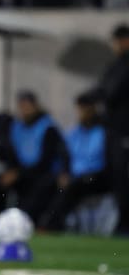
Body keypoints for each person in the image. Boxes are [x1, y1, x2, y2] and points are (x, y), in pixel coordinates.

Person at [38, 93, 112, 231]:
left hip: (96, 178)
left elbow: (111, 163)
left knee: (72, 186)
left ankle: (51, 225)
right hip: (74, 176)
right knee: (46, 182)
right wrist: (64, 173)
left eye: (84, 109)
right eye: (79, 109)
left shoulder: (104, 132)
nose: (81, 113)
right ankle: (35, 219)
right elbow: (65, 156)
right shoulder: (75, 133)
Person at [0, 90, 69, 223]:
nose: (25, 110)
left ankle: (30, 220)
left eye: (27, 106)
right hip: (23, 173)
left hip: (42, 174)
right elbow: (12, 156)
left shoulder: (48, 128)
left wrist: (19, 173)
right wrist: (13, 172)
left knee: (39, 186)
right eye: (22, 107)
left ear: (35, 106)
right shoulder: (16, 127)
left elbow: (45, 162)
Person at [93, 24, 129, 232]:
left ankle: (125, 222)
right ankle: (122, 220)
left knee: (122, 176)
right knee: (116, 176)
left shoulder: (124, 67)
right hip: (113, 130)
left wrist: (98, 96)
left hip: (124, 131)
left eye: (118, 41)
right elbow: (104, 89)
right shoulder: (115, 65)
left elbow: (111, 92)